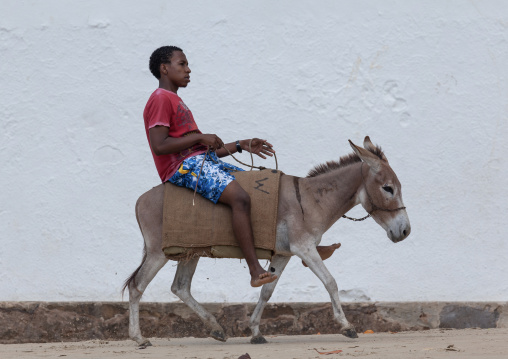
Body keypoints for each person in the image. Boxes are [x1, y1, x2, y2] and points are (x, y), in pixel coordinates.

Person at [143, 46, 278, 287]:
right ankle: (255, 270)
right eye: (181, 64)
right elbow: (159, 145)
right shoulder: (161, 98)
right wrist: (199, 137)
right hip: (181, 167)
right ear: (164, 68)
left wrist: (241, 144)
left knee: (259, 190)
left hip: (198, 161)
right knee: (240, 198)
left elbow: (204, 151)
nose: (188, 69)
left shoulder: (175, 99)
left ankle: (303, 245)